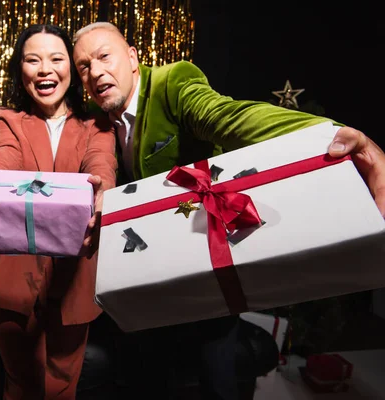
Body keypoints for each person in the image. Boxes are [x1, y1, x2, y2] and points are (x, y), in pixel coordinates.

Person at [71, 21, 385, 399]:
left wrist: (332, 135)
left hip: (205, 259)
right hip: (151, 273)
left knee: (217, 374)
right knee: (148, 376)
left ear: (133, 58)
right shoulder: (96, 117)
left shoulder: (172, 82)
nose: (96, 71)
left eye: (104, 56)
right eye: (84, 66)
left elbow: (228, 117)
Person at [0, 24, 117, 399]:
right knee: (20, 383)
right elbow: (2, 162)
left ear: (72, 69)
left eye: (56, 59)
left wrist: (102, 192)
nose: (45, 69)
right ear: (21, 70)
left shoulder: (97, 125)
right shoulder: (8, 120)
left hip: (73, 280)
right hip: (14, 280)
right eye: (33, 60)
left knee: (64, 385)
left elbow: (101, 167)